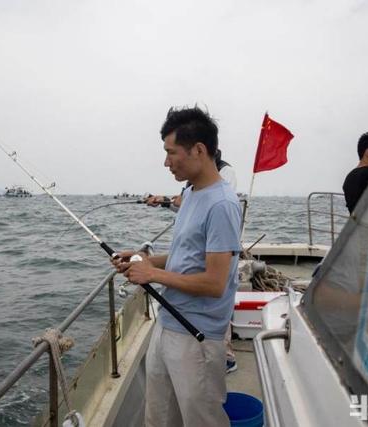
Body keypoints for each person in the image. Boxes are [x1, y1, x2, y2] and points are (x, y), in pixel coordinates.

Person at [112, 106, 242, 427]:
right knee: (159, 417)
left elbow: (215, 282)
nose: (166, 162)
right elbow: (184, 257)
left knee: (201, 420)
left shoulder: (222, 204)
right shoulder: (191, 194)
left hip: (195, 337)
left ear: (199, 150)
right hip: (168, 323)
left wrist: (152, 275)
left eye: (172, 153)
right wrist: (141, 259)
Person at [146, 148, 237, 209]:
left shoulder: (226, 171)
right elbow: (185, 210)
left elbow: (219, 207)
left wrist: (186, 202)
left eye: (173, 153)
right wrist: (165, 201)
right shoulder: (194, 177)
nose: (166, 163)